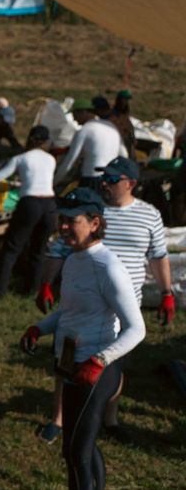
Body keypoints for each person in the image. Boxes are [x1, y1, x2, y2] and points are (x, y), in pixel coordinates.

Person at [22, 187, 145, 490]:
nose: (63, 227)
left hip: (95, 370)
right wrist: (40, 328)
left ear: (94, 223)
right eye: (60, 220)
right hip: (72, 363)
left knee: (74, 450)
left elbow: (137, 328)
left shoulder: (108, 266)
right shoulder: (75, 258)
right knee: (83, 444)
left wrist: (100, 360)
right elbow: (71, 311)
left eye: (71, 221)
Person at [36, 156, 172, 442]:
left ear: (130, 183)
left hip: (126, 303)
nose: (104, 184)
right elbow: (61, 250)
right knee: (68, 358)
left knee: (115, 364)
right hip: (89, 300)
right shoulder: (87, 210)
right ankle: (58, 419)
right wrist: (47, 282)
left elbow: (158, 256)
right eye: (103, 178)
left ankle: (109, 418)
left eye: (111, 179)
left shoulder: (149, 215)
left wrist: (166, 292)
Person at [0, 125, 57, 298]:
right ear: (46, 142)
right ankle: (31, 291)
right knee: (39, 250)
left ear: (29, 139)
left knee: (11, 250)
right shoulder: (51, 159)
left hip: (30, 203)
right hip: (50, 205)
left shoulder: (20, 158)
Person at [54, 102, 126, 186]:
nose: (74, 119)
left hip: (92, 178)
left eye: (74, 114)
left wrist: (53, 184)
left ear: (83, 112)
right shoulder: (111, 126)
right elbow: (124, 154)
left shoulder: (84, 130)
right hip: (112, 179)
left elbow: (69, 162)